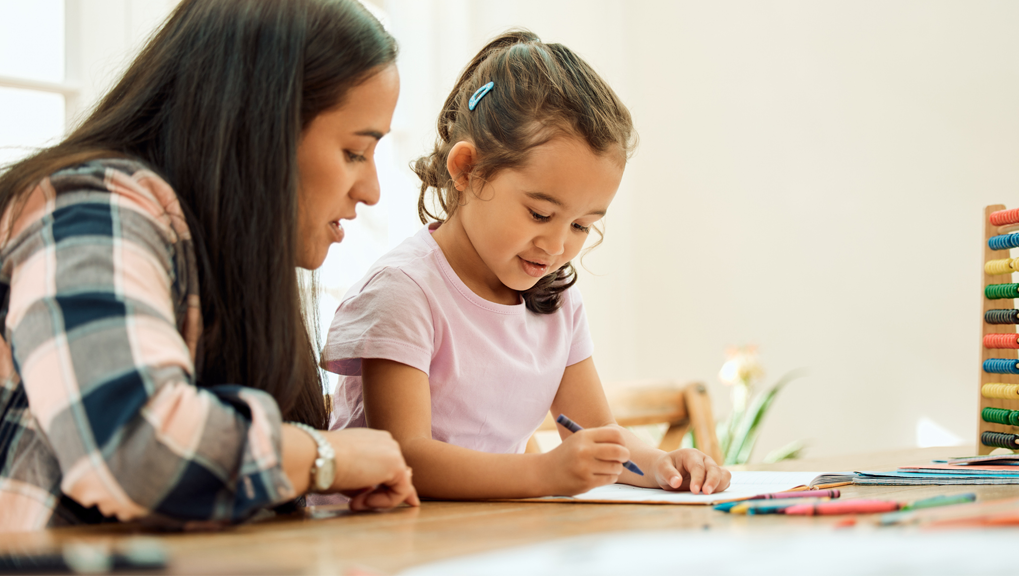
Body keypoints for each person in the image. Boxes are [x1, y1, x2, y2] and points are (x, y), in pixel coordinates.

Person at [0, 0, 418, 532]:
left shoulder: (226, 262)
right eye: (355, 152)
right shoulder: (90, 209)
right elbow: (133, 445)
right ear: (259, 127)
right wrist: (323, 456)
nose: (372, 191)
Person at [319, 31, 731, 500]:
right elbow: (404, 456)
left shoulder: (556, 301)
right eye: (539, 213)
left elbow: (596, 432)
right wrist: (543, 474)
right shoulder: (405, 291)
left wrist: (663, 466)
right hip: (376, 542)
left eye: (581, 226)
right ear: (467, 170)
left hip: (481, 535)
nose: (556, 245)